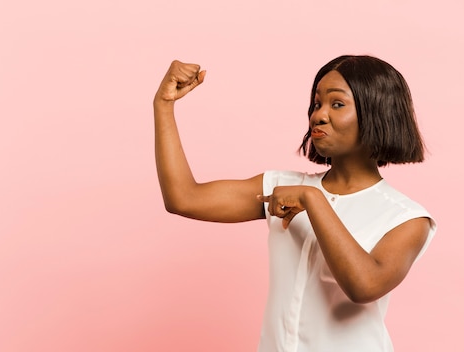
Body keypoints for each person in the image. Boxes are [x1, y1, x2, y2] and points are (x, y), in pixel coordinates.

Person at [153, 55, 437, 352]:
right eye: (317, 104)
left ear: (377, 112)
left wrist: (312, 199)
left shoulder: (406, 217)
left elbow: (364, 286)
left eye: (336, 104)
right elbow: (183, 198)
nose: (319, 115)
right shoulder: (281, 186)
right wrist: (163, 105)